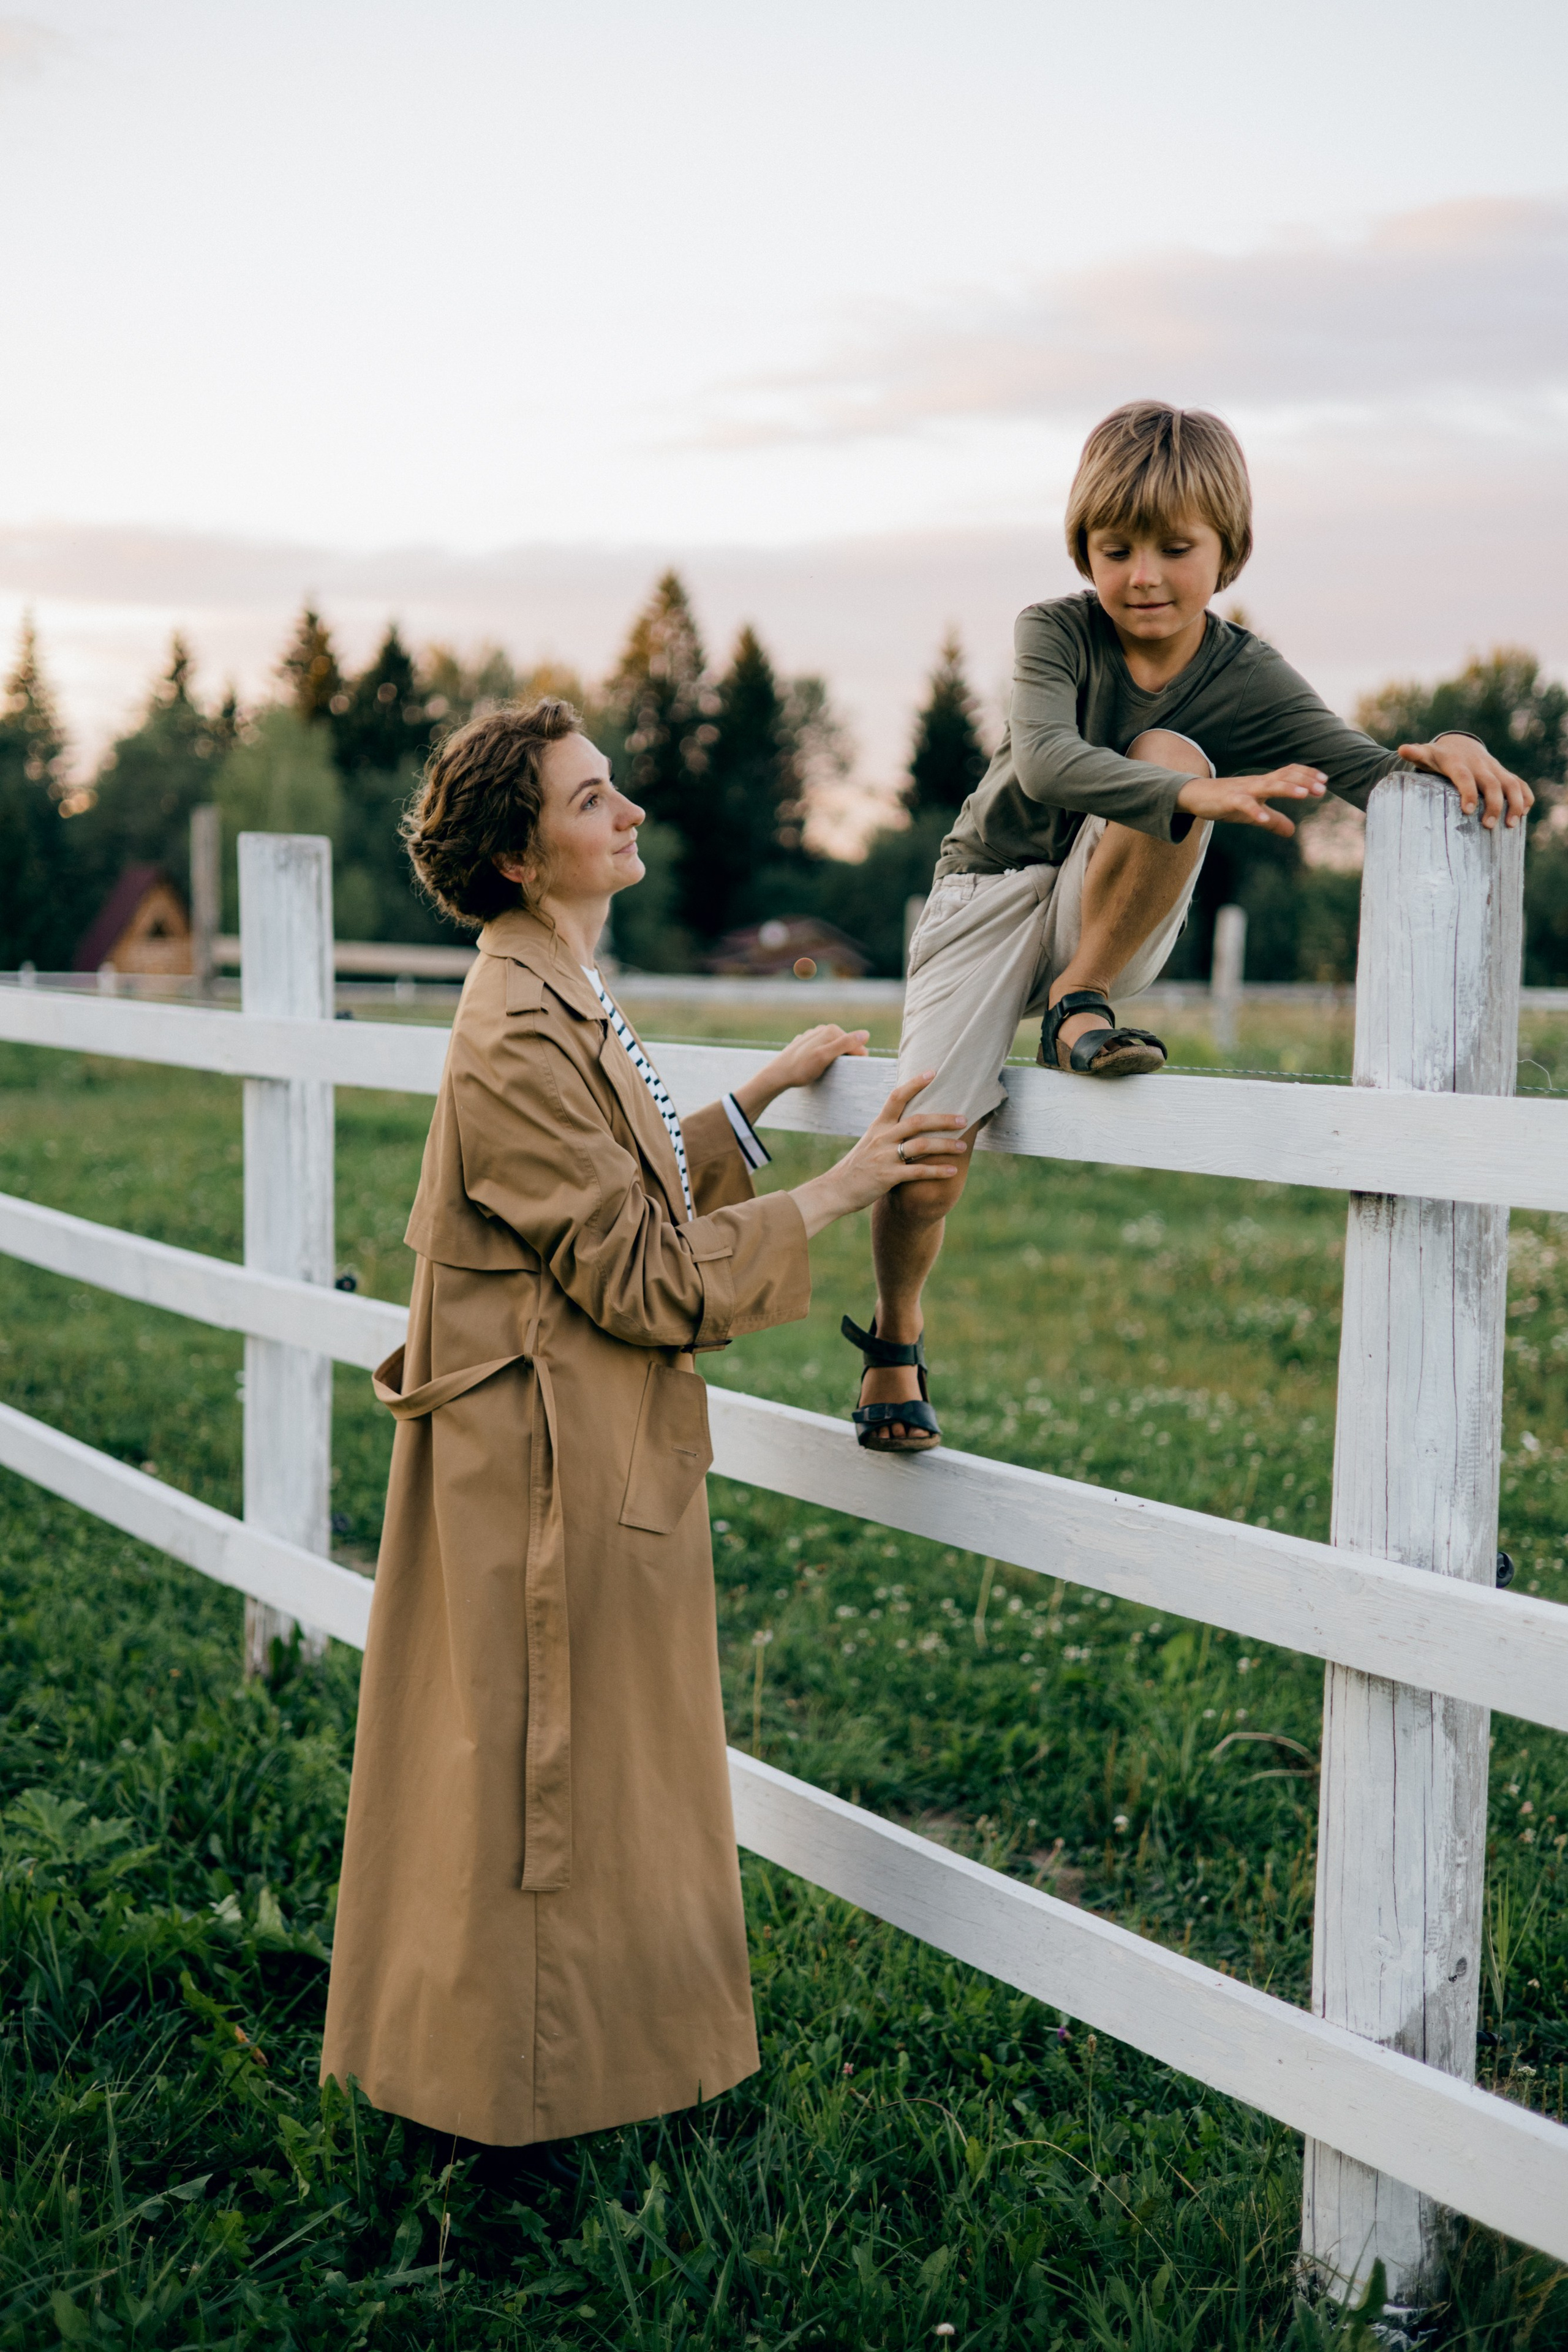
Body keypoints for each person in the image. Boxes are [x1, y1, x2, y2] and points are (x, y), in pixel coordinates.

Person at [319, 697, 964, 2155]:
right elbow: (637, 1271)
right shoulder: (511, 1024)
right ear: (516, 854)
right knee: (537, 1787)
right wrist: (841, 1186)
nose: (630, 817)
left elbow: (624, 1192)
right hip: (535, 1465)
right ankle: (514, 2104)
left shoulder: (556, 985)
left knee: (589, 1776)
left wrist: (761, 1100)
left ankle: (569, 2080)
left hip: (573, 1439)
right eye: (591, 800)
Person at [846, 399, 1533, 1452]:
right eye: (1116, 550)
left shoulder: (1242, 672)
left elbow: (1359, 769)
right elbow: (1042, 763)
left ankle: (1082, 998)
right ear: (1084, 550)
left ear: (1230, 553)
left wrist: (1441, 745)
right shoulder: (1055, 632)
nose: (1145, 577)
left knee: (1174, 758)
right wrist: (1197, 801)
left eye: (1177, 549)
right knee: (929, 1149)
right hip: (989, 890)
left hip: (1106, 912)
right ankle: (897, 1333)